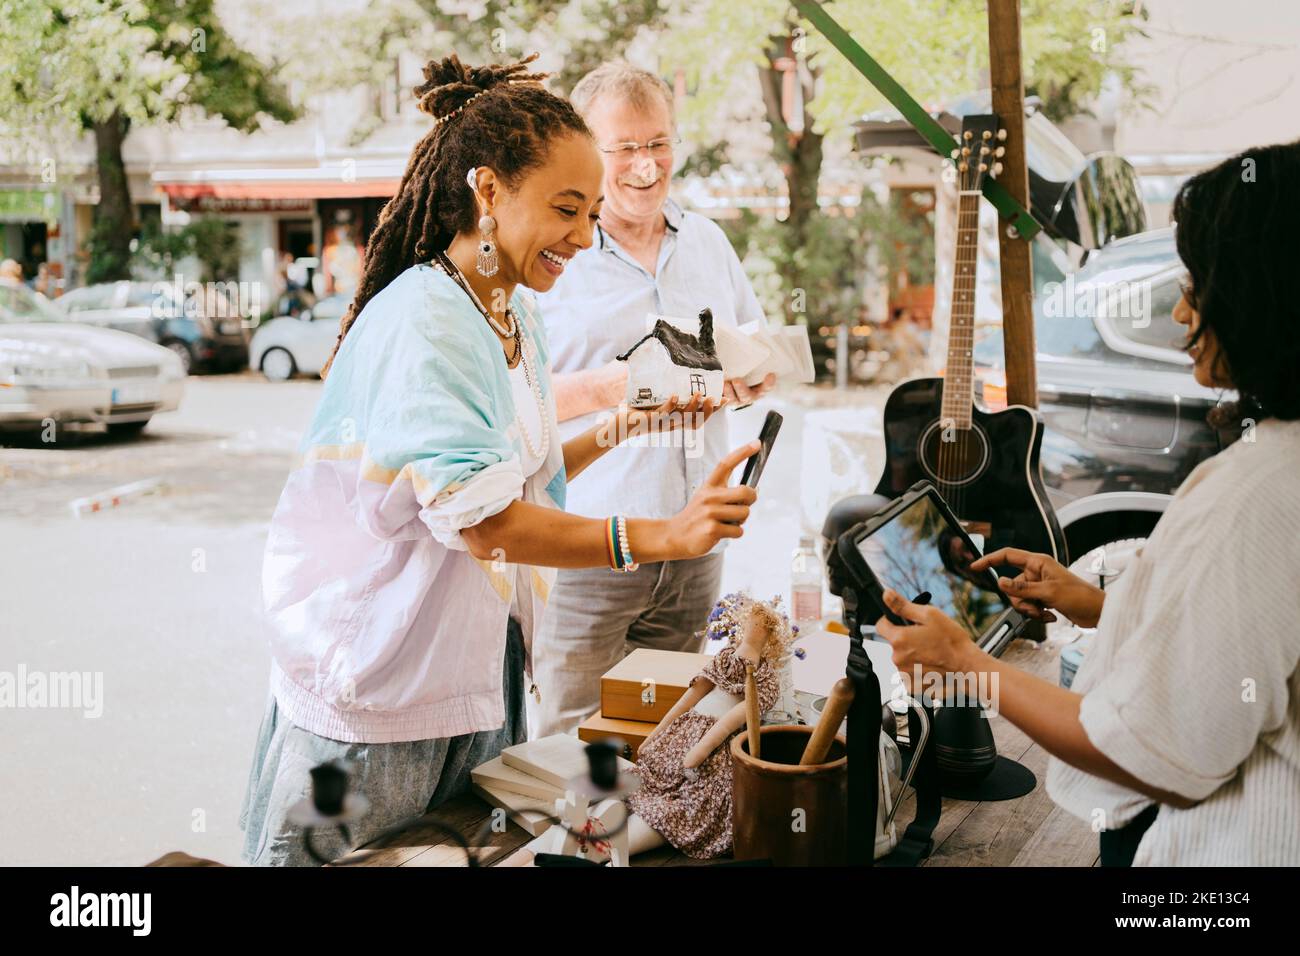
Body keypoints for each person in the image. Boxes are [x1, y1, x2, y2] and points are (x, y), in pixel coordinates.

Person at [238, 53, 760, 866]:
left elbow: (526, 473)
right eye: (566, 209)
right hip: (381, 694)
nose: (585, 238)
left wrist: (633, 423)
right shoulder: (428, 320)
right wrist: (664, 535)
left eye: (591, 213)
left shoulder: (509, 307)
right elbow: (487, 526)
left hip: (471, 682)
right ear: (488, 192)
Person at [876, 140, 1300, 866]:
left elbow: (1150, 751)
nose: (1178, 307)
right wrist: (1103, 604)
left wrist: (965, 663)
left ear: (1259, 297)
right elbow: (1258, 632)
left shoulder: (1261, 490)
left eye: (1196, 283)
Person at [529, 62, 777, 738]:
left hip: (696, 542)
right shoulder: (551, 253)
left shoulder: (708, 241)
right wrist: (618, 387)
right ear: (584, 151)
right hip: (586, 545)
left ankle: (647, 843)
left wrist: (748, 378)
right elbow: (511, 401)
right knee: (570, 741)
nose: (646, 165)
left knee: (667, 731)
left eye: (658, 143)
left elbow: (743, 346)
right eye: (625, 148)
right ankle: (572, 847)